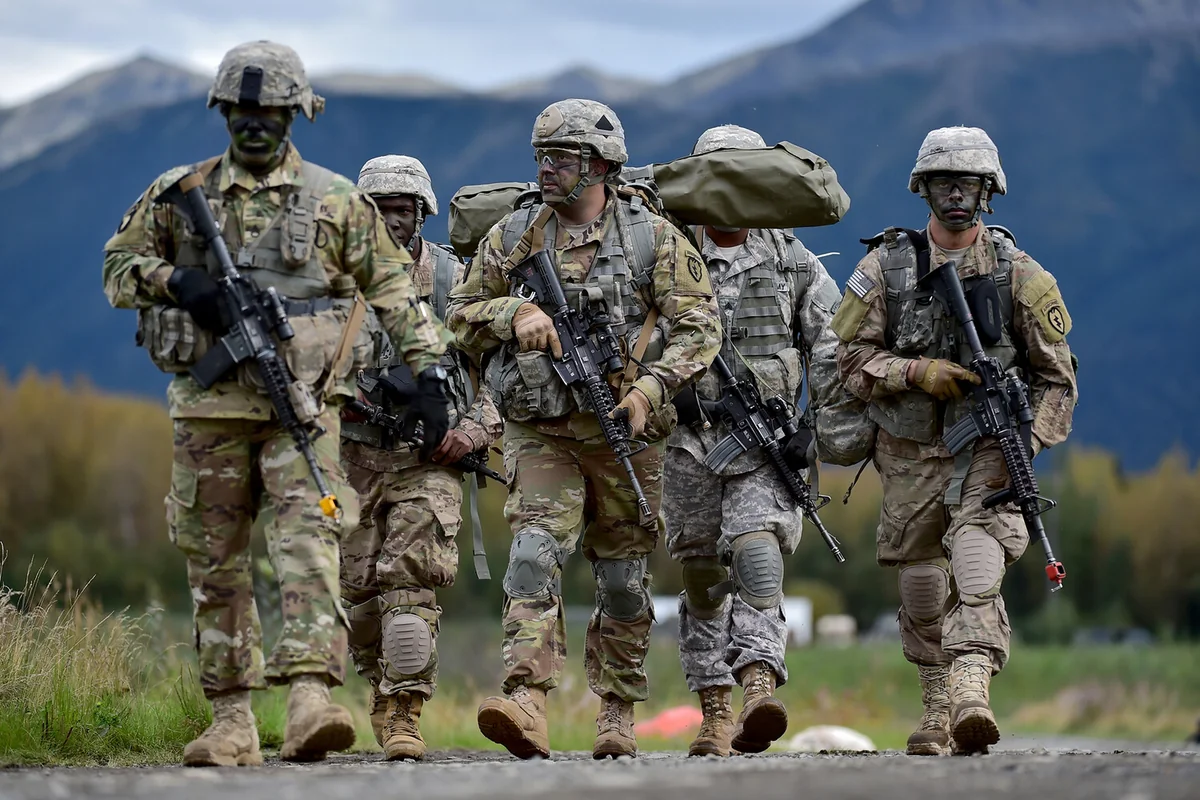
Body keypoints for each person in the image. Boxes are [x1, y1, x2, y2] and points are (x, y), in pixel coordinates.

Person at [101, 41, 451, 766]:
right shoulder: (180, 193)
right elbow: (117, 268)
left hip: (304, 409)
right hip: (209, 411)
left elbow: (393, 288)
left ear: (296, 115)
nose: (255, 124)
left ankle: (310, 701)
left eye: (270, 112)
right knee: (215, 560)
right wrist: (177, 282)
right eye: (242, 111)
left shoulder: (335, 200)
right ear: (224, 113)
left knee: (311, 545)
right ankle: (230, 719)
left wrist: (430, 375)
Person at [446, 98, 721, 759]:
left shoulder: (652, 239)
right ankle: (527, 699)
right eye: (541, 156)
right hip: (542, 429)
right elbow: (458, 313)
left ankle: (617, 711)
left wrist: (651, 389)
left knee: (623, 579)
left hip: (628, 433)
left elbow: (701, 325)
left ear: (600, 166)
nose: (546, 168)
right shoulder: (513, 236)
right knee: (533, 553)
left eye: (561, 158)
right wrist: (513, 314)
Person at [831, 126, 1078, 755]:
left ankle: (972, 687)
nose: (957, 195)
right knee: (921, 585)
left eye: (968, 184)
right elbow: (849, 359)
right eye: (944, 183)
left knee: (975, 558)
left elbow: (1057, 379)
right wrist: (916, 372)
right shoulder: (885, 268)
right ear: (925, 189)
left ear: (988, 191)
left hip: (989, 447)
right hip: (909, 450)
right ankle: (937, 704)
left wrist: (1027, 441)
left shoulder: (1020, 275)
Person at [662, 124, 844, 758]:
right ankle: (713, 706)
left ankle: (759, 684)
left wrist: (813, 432)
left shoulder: (790, 260)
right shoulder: (667, 251)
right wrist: (665, 388)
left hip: (765, 445)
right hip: (686, 443)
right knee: (702, 575)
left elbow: (831, 347)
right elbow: (626, 331)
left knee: (757, 554)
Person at [338, 155, 502, 761]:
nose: (392, 220)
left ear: (422, 213)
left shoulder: (456, 281)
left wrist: (473, 430)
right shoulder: (335, 282)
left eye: (402, 209)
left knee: (409, 585)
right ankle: (380, 691)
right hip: (351, 458)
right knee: (357, 594)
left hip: (429, 460)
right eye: (380, 210)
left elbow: (502, 371)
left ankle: (405, 711)